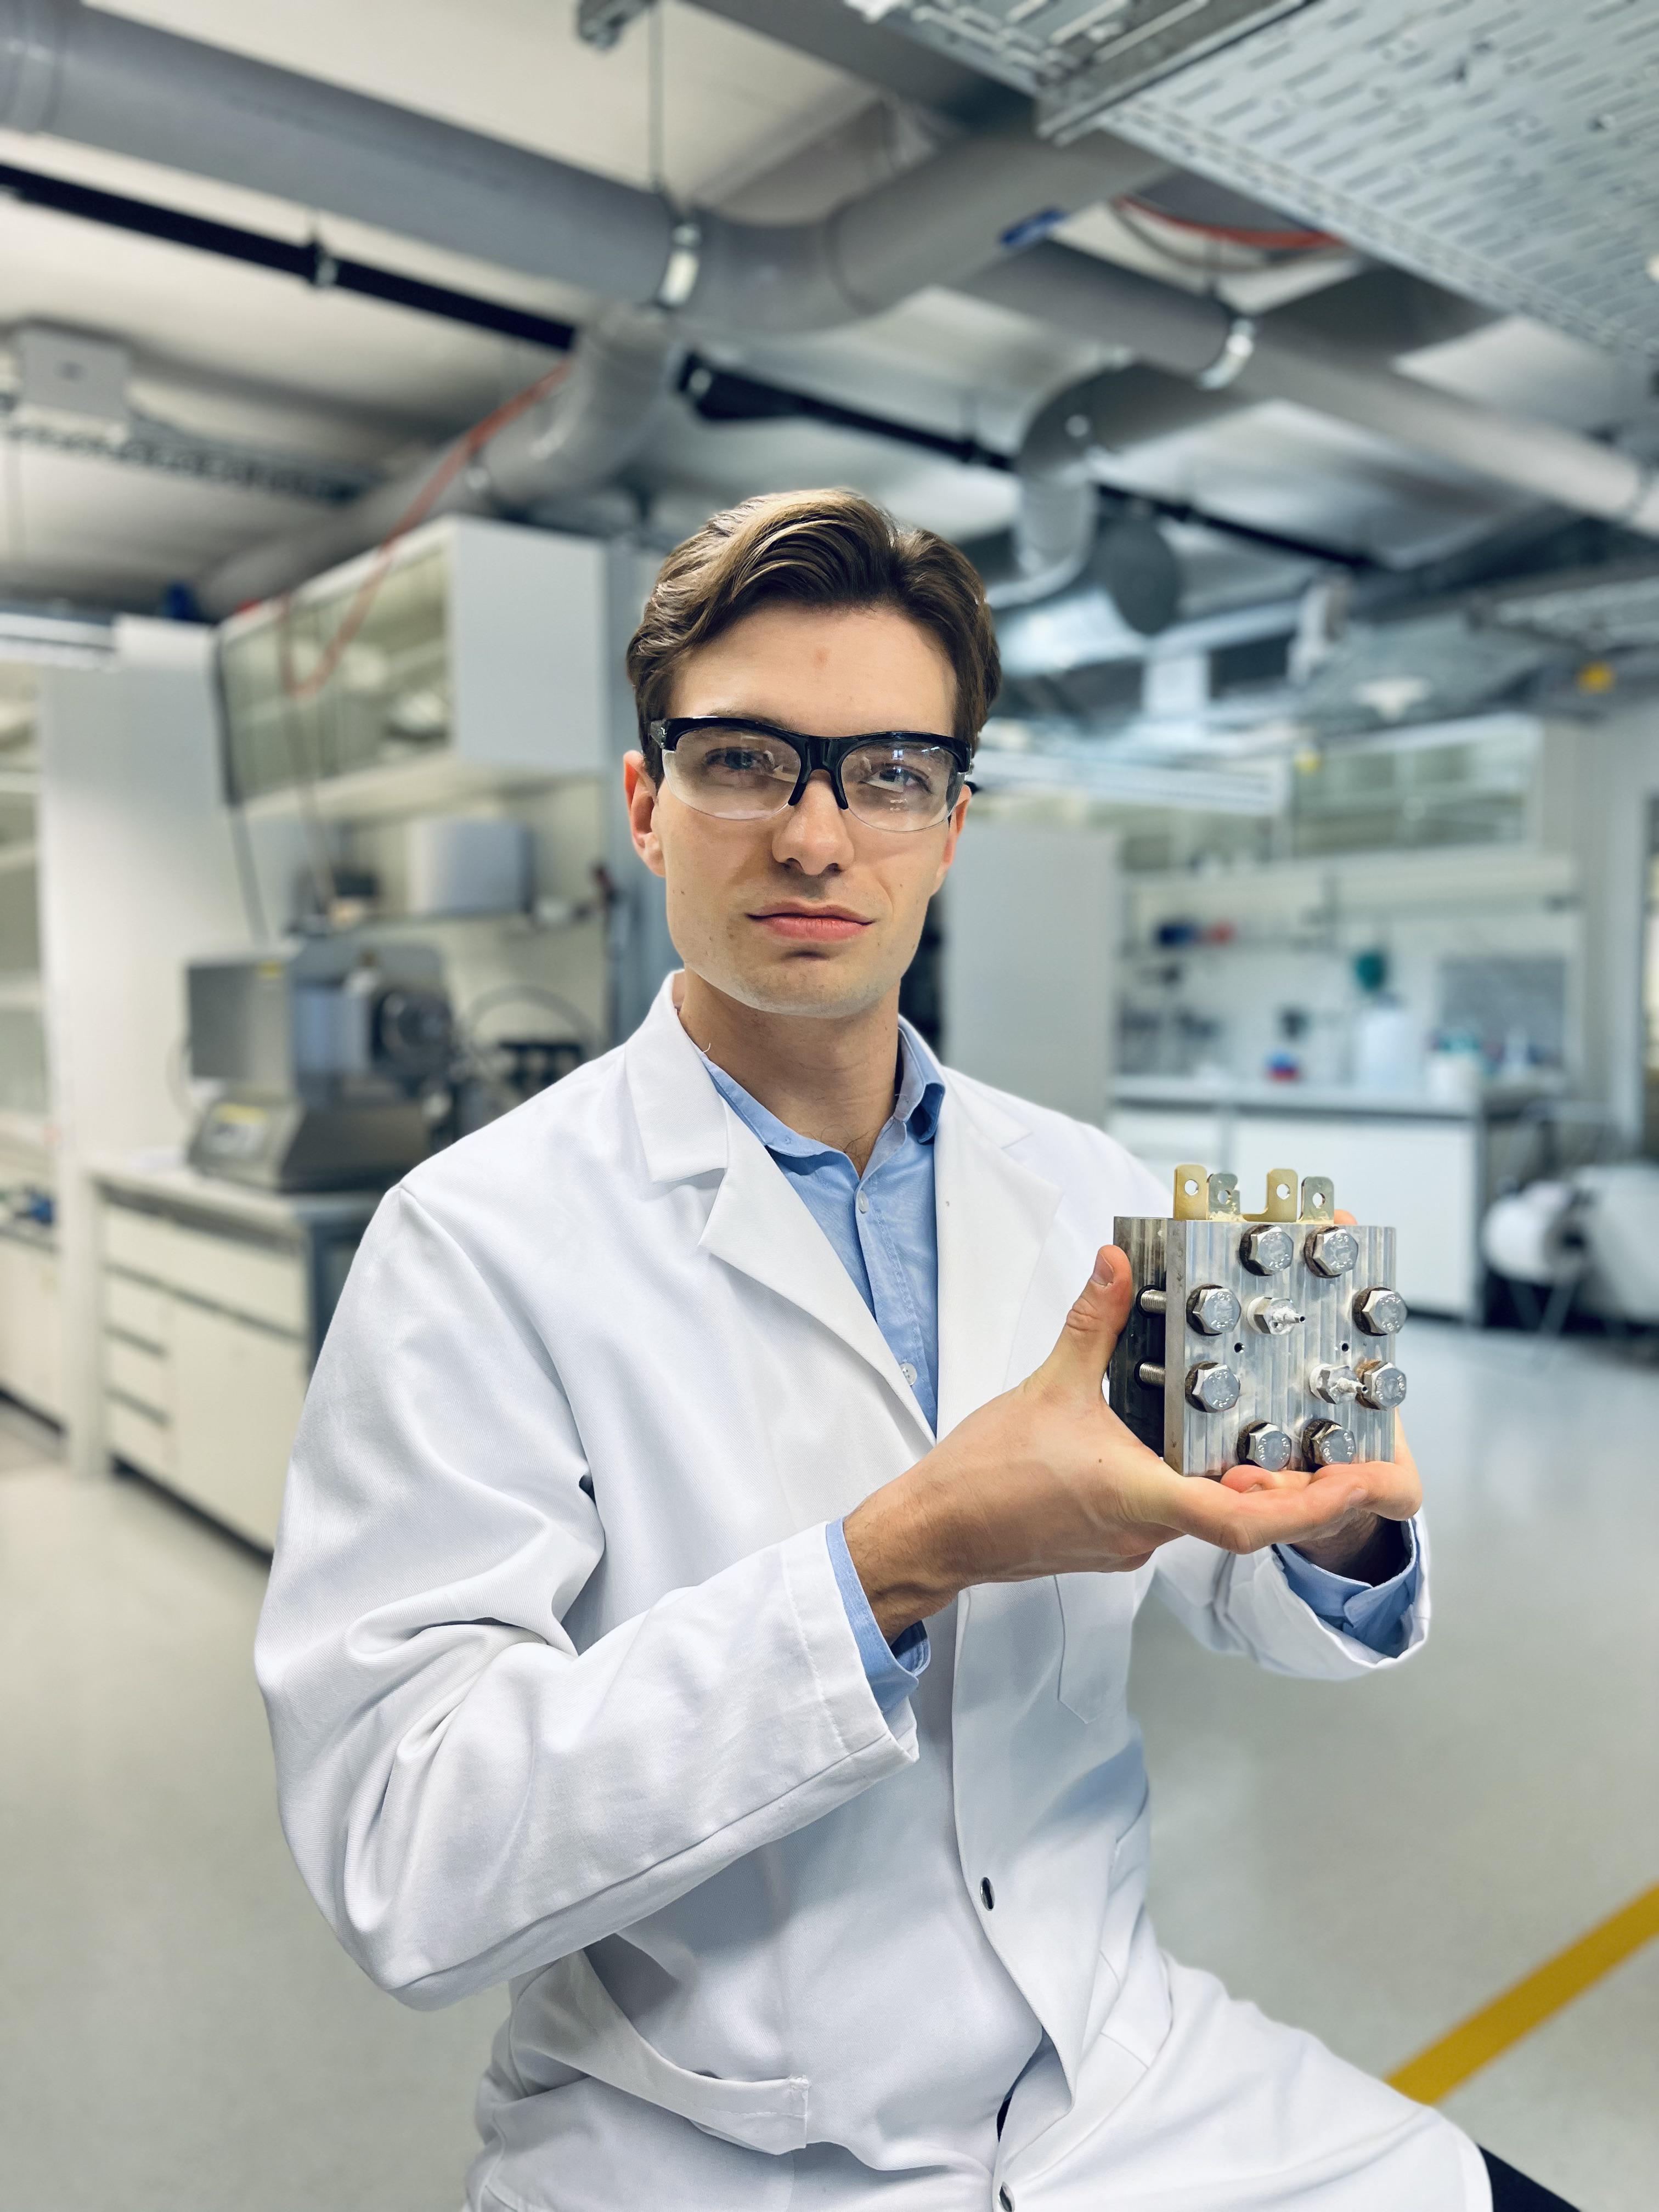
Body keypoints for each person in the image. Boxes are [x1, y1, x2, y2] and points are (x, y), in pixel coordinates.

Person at [256, 490, 1576, 2212]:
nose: (817, 839)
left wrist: (1328, 1533)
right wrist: (897, 1560)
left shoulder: (1084, 1190)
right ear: (649, 806)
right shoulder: (475, 1242)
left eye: (886, 776)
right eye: (745, 763)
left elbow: (1252, 1603)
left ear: (952, 825)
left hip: (1121, 2086)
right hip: (718, 2151)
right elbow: (406, 1856)